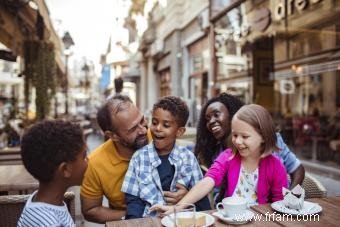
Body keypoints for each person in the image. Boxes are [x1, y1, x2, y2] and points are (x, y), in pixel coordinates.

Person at [151, 104, 289, 215]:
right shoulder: (228, 156)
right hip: (229, 219)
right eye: (235, 135)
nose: (238, 141)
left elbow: (279, 206)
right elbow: (208, 181)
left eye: (245, 136)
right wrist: (177, 208)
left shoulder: (276, 166)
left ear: (263, 136)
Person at [80, 95, 187, 223]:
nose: (143, 130)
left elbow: (188, 171)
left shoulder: (158, 135)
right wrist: (136, 215)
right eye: (133, 129)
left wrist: (186, 194)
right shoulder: (95, 163)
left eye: (142, 121)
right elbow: (90, 210)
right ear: (112, 136)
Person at [121, 96, 210, 219]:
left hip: (182, 220)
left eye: (166, 125)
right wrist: (134, 222)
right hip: (149, 221)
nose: (157, 128)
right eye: (154, 122)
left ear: (179, 132)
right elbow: (133, 201)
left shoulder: (188, 158)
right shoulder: (139, 158)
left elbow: (201, 198)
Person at [195, 93, 304, 189]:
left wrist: (291, 195)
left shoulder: (272, 141)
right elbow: (212, 186)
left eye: (216, 114)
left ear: (233, 115)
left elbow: (297, 169)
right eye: (208, 119)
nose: (211, 121)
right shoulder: (219, 154)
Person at [17, 120, 88, 226]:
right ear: (65, 169)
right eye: (84, 157)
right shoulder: (50, 223)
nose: (88, 161)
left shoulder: (39, 200)